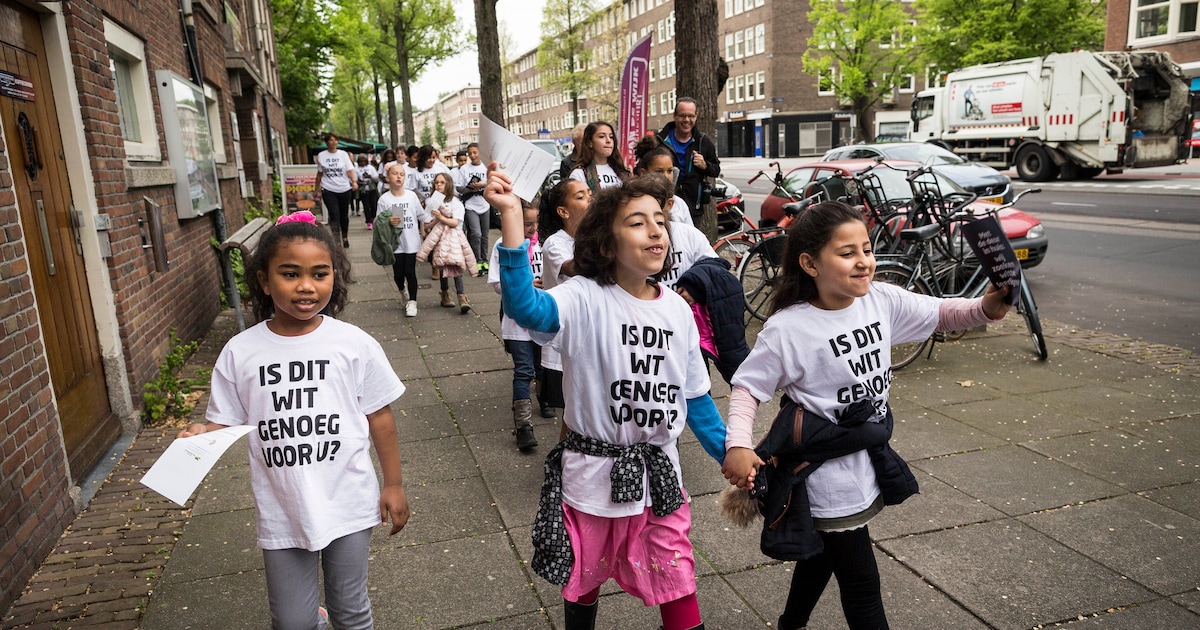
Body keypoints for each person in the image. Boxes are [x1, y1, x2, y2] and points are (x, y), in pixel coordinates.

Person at [720, 201, 1013, 630]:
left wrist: (986, 308)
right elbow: (748, 389)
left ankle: (790, 623)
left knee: (822, 554)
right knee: (862, 583)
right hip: (824, 475)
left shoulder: (881, 300)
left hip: (864, 456)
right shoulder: (789, 329)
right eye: (847, 253)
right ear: (809, 263)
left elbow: (941, 313)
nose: (864, 262)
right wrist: (739, 446)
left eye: (868, 249)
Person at [485, 169, 725, 630]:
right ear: (606, 243)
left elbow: (695, 397)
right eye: (637, 222)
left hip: (661, 478)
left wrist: (730, 452)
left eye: (659, 220)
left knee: (678, 580)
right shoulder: (584, 297)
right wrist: (513, 216)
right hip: (593, 478)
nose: (656, 230)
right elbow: (526, 308)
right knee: (584, 580)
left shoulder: (678, 310)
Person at [177, 212, 409, 630]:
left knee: (351, 611)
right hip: (282, 506)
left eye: (320, 274)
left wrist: (392, 485)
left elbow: (381, 416)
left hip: (349, 499)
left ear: (334, 279)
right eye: (290, 274)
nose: (306, 286)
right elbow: (225, 419)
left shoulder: (353, 343)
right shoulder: (240, 351)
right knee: (291, 622)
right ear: (265, 282)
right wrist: (202, 433)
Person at [486, 201, 544, 450]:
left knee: (543, 366)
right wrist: (526, 286)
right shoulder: (503, 246)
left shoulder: (546, 244)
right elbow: (497, 282)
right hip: (517, 321)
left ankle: (545, 396)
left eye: (535, 223)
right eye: (526, 224)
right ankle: (523, 426)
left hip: (543, 316)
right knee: (523, 370)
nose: (532, 229)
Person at [536, 178, 591, 424]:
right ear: (563, 211)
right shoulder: (555, 243)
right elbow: (574, 268)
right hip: (566, 338)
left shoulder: (594, 237)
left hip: (593, 333)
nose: (589, 200)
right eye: (580, 196)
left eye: (589, 194)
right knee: (574, 415)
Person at [370, 163, 432, 317]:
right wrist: (388, 221)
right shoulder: (384, 199)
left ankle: (412, 302)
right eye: (395, 173)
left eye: (402, 174)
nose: (399, 177)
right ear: (388, 177)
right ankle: (402, 290)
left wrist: (437, 217)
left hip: (411, 242)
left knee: (410, 272)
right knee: (398, 274)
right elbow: (378, 222)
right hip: (395, 244)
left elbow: (422, 215)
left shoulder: (411, 196)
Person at [416, 171, 474, 313]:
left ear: (448, 184)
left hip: (454, 238)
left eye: (442, 182)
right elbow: (428, 223)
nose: (439, 185)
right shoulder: (432, 201)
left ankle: (461, 296)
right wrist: (427, 226)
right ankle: (445, 293)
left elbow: (454, 222)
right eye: (436, 182)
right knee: (442, 265)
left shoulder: (456, 202)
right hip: (439, 238)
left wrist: (440, 217)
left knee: (456, 264)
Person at [657, 98, 720, 222]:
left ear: (696, 116)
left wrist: (705, 165)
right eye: (682, 115)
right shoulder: (660, 141)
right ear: (675, 116)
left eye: (690, 116)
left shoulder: (703, 141)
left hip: (693, 208)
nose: (686, 120)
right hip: (663, 205)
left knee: (690, 240)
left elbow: (716, 170)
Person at [633, 135, 693, 227]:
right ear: (643, 173)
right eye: (659, 171)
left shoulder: (679, 204)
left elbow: (691, 235)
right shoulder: (634, 202)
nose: (666, 176)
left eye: (669, 171)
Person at [314, 133, 358, 248]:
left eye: (335, 140)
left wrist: (354, 181)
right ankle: (336, 239)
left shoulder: (343, 155)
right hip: (328, 189)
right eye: (331, 140)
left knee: (344, 215)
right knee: (334, 215)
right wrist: (316, 189)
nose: (333, 142)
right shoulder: (322, 155)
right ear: (326, 142)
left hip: (344, 188)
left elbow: (349, 170)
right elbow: (319, 174)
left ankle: (345, 236)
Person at [456, 142, 491, 276]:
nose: (472, 155)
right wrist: (471, 187)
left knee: (485, 235)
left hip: (485, 204)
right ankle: (477, 260)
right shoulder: (464, 169)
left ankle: (485, 260)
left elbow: (492, 183)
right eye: (470, 153)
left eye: (475, 153)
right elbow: (459, 188)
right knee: (476, 234)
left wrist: (483, 184)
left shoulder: (486, 167)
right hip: (471, 205)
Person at [568, 121, 630, 193]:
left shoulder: (621, 171)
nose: (608, 141)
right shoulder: (579, 174)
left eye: (611, 137)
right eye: (601, 136)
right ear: (590, 143)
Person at [355, 155, 380, 229]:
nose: (362, 163)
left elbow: (376, 177)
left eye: (364, 161)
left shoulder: (370, 168)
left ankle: (372, 218)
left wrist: (370, 176)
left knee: (374, 205)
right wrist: (359, 180)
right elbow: (354, 179)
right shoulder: (356, 169)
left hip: (371, 188)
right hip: (363, 189)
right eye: (361, 161)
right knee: (366, 207)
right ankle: (368, 221)